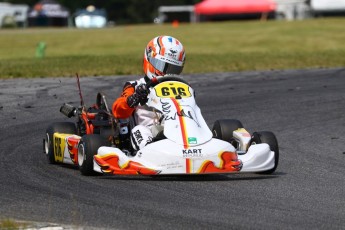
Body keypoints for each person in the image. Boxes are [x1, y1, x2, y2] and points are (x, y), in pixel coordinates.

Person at [112, 35, 186, 153]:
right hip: (147, 133)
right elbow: (117, 110)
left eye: (174, 69)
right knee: (140, 130)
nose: (167, 73)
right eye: (163, 66)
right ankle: (151, 153)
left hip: (174, 130)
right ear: (150, 60)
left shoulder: (181, 88)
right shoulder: (135, 86)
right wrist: (133, 99)